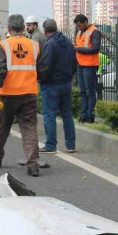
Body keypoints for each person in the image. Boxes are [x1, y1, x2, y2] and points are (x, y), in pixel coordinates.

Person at [0, 14, 43, 177]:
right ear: (23, 28)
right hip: (29, 93)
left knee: (3, 126)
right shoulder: (34, 45)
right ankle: (33, 165)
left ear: (9, 28)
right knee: (29, 129)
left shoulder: (2, 45)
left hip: (7, 94)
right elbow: (41, 69)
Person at [38, 19, 77, 156]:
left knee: (49, 115)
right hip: (66, 83)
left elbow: (46, 66)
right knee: (67, 115)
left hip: (51, 84)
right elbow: (74, 63)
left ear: (45, 31)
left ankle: (50, 145)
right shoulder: (67, 42)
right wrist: (68, 77)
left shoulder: (50, 44)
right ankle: (71, 145)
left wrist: (41, 80)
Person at [73, 14, 101, 123]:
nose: (78, 28)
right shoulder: (80, 32)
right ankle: (83, 115)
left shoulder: (95, 32)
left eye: (80, 26)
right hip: (80, 65)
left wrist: (78, 49)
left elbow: (95, 48)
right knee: (82, 92)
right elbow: (79, 46)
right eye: (77, 26)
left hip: (90, 65)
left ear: (85, 22)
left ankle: (90, 116)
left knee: (90, 92)